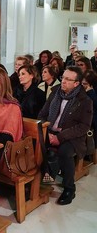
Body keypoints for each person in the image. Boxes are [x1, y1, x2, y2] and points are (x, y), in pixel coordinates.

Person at [38, 66, 93, 205]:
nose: (63, 81)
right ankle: (42, 179)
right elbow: (42, 115)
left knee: (64, 152)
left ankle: (69, 188)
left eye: (68, 79)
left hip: (71, 137)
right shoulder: (55, 92)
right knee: (35, 145)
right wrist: (48, 132)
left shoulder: (85, 101)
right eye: (63, 78)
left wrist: (60, 137)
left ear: (76, 83)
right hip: (50, 131)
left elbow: (83, 127)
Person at [82, 70, 97, 147]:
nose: (82, 85)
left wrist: (90, 92)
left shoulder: (92, 94)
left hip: (91, 124)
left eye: (85, 84)